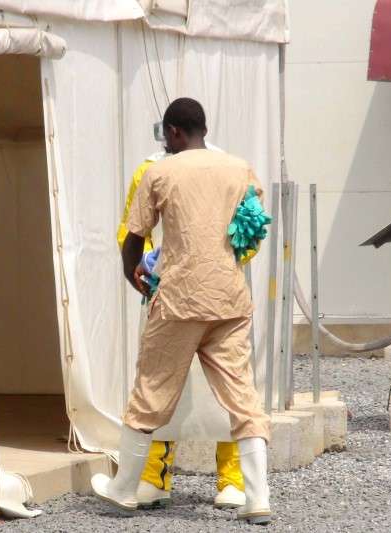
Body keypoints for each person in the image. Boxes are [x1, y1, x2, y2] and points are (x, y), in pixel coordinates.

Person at [92, 97, 271, 524]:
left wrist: (132, 272)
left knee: (151, 389)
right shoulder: (239, 168)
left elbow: (134, 236)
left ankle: (125, 489)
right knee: (242, 395)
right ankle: (256, 496)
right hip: (228, 299)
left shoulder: (160, 171)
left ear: (173, 132)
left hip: (177, 300)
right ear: (202, 129)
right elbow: (251, 230)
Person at [116, 148, 248, 510]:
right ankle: (155, 476)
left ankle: (232, 478)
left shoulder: (227, 167)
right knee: (169, 388)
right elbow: (133, 228)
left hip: (209, 295)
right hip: (182, 294)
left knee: (221, 391)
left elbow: (248, 232)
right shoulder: (154, 167)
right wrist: (152, 265)